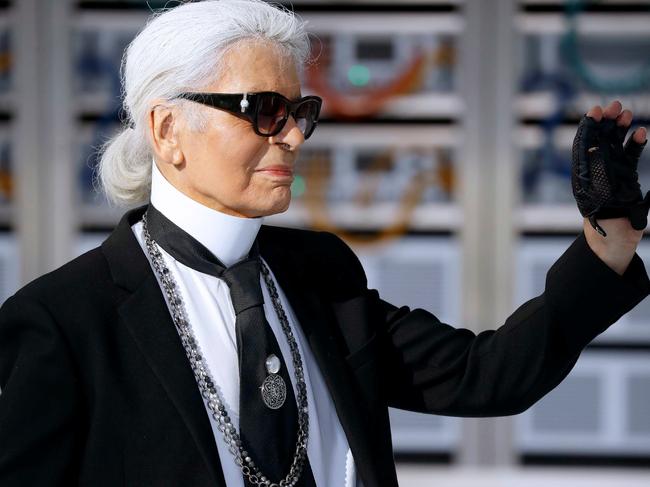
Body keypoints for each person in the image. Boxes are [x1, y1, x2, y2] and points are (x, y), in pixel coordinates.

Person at [0, 1, 648, 486]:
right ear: (169, 129)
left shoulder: (321, 274)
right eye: (263, 110)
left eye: (299, 112)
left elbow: (487, 375)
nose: (292, 137)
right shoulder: (63, 323)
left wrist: (607, 240)